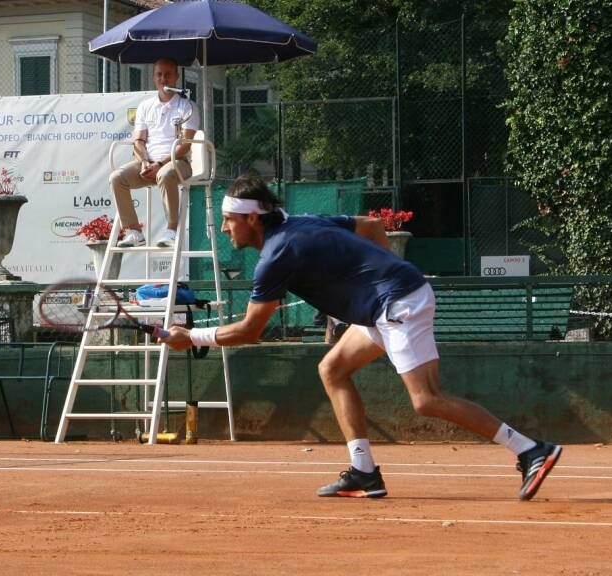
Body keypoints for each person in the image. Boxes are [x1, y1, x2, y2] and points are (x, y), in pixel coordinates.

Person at [161, 175, 562, 501]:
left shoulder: (275, 255)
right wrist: (385, 273)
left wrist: (193, 336)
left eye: (230, 219)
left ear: (252, 219)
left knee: (427, 400)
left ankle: (530, 449)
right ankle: (364, 472)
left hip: (397, 305)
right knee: (333, 368)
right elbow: (371, 226)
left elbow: (250, 331)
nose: (226, 226)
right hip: (387, 302)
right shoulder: (303, 221)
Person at [110, 57, 200, 249]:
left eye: (168, 74)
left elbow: (184, 144)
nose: (163, 79)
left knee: (165, 173)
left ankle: (172, 231)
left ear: (176, 77)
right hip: (148, 164)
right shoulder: (145, 106)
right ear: (153, 78)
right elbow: (139, 140)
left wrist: (160, 164)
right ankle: (134, 232)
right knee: (117, 177)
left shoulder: (188, 106)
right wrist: (143, 162)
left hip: (178, 163)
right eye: (159, 74)